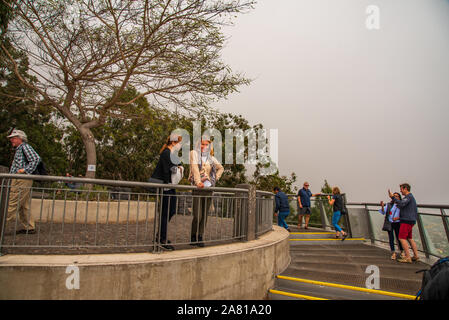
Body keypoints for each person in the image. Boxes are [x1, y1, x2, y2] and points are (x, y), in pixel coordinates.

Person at [188, 136, 224, 247]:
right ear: (199, 145)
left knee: (204, 216)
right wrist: (198, 182)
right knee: (197, 215)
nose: (204, 146)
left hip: (209, 189)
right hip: (198, 188)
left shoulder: (211, 158)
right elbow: (194, 168)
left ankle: (200, 237)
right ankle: (193, 236)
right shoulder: (194, 153)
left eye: (206, 145)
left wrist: (215, 178)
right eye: (202, 144)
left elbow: (221, 168)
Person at [150, 133, 183, 250]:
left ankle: (161, 234)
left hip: (171, 186)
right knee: (165, 212)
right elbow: (168, 170)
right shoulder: (166, 153)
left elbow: (179, 165)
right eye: (179, 143)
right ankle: (162, 238)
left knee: (172, 210)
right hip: (165, 186)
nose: (180, 146)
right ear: (173, 142)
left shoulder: (172, 154)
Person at [6, 129, 41, 234]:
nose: (11, 140)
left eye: (13, 138)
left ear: (20, 138)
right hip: (20, 178)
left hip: (22, 179)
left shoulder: (25, 147)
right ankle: (29, 226)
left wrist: (25, 170)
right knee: (23, 204)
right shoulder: (19, 149)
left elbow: (36, 158)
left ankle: (2, 224)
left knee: (12, 202)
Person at [389, 183, 420, 263]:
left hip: (406, 221)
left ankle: (408, 257)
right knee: (409, 238)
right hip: (410, 220)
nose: (400, 191)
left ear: (405, 188)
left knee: (402, 238)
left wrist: (393, 197)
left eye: (401, 189)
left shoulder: (408, 197)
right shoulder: (410, 197)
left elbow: (402, 204)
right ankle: (416, 256)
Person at [379, 192, 404, 260]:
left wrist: (398, 218)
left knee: (399, 238)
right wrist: (382, 206)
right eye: (394, 196)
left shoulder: (401, 205)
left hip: (397, 222)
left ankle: (402, 252)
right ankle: (393, 253)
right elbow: (383, 212)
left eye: (397, 196)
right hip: (390, 222)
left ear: (399, 198)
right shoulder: (389, 204)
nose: (395, 197)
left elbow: (404, 214)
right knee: (391, 238)